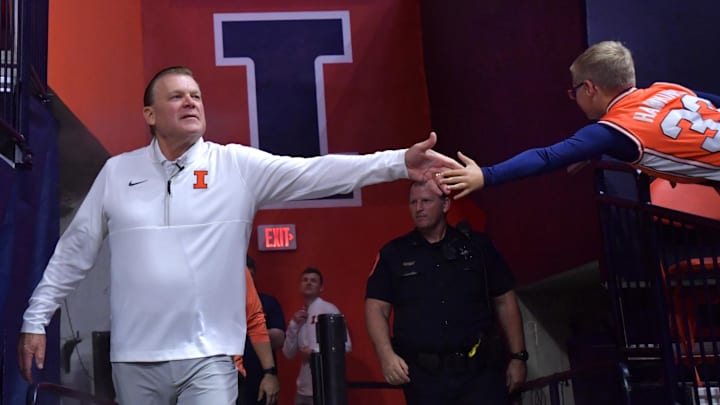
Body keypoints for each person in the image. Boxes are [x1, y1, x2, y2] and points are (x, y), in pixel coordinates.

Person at [16, 66, 462, 404]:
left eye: (196, 95)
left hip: (210, 359)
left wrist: (398, 163)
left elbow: (317, 171)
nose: (191, 102)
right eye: (176, 97)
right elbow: (74, 250)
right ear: (150, 114)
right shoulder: (118, 173)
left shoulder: (235, 167)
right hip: (134, 360)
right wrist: (36, 319)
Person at [439, 41, 720, 199]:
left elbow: (547, 157)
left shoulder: (613, 130)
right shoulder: (666, 90)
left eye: (574, 91)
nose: (574, 97)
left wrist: (486, 175)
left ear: (590, 88)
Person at [365, 181, 527, 405]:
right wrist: (386, 356)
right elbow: (375, 307)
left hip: (480, 374)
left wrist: (518, 357)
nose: (418, 207)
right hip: (424, 379)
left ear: (445, 204)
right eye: (413, 202)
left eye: (426, 201)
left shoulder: (477, 247)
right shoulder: (394, 254)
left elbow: (505, 300)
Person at [282, 267, 351, 405]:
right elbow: (288, 353)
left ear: (321, 288)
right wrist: (294, 324)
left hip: (326, 388)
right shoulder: (299, 317)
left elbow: (346, 345)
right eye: (305, 280)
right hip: (303, 388)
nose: (308, 283)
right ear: (299, 286)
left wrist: (315, 354)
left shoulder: (329, 309)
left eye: (313, 280)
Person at [238, 256, 285, 405]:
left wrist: (255, 331)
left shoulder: (267, 303)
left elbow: (279, 338)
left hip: (260, 375)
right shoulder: (225, 303)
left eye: (250, 277)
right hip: (231, 376)